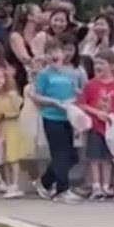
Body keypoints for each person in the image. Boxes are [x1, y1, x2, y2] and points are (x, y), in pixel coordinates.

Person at [31, 41, 85, 203]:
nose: (54, 55)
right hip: (51, 116)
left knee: (72, 155)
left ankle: (45, 181)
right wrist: (53, 102)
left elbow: (80, 93)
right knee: (60, 153)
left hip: (69, 117)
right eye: (50, 52)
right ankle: (62, 189)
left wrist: (77, 98)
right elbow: (36, 96)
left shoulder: (72, 74)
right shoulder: (44, 74)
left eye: (57, 51)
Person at [79, 52, 114, 200]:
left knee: (108, 157)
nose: (98, 66)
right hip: (95, 126)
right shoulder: (90, 85)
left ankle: (106, 185)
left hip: (110, 128)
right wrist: (96, 113)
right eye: (96, 64)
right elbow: (83, 104)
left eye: (102, 63)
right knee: (95, 156)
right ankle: (96, 185)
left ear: (111, 65)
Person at [0, 66, 28, 198]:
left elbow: (17, 111)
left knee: (13, 157)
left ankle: (15, 184)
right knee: (4, 158)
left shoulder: (12, 95)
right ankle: (8, 182)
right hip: (1, 129)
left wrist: (5, 115)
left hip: (13, 128)